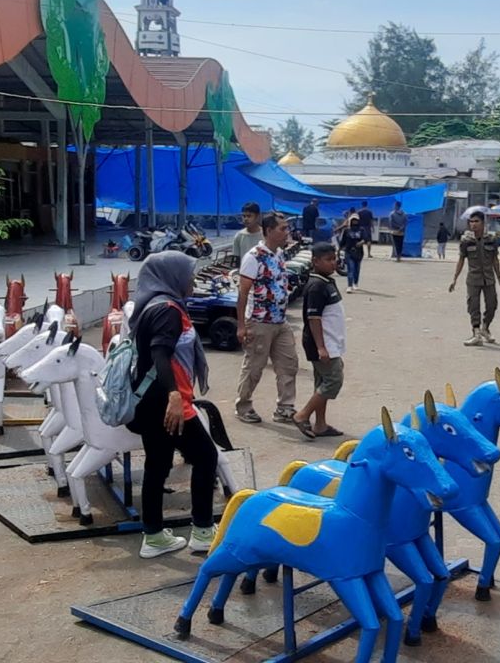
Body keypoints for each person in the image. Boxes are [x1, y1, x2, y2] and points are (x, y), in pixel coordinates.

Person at [125, 252, 218, 558]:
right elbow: (160, 354)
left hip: (151, 400)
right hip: (168, 401)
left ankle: (153, 536)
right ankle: (203, 531)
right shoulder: (167, 310)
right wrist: (175, 397)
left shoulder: (153, 304)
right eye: (189, 273)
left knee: (157, 465)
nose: (193, 279)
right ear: (172, 276)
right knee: (205, 457)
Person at [234, 212, 299, 424]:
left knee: (288, 364)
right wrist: (242, 326)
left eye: (287, 228)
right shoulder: (254, 257)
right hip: (259, 322)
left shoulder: (279, 254)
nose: (286, 232)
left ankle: (285, 407)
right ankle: (243, 405)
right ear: (269, 231)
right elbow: (243, 293)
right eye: (282, 229)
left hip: (280, 321)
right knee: (254, 366)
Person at [293, 243, 346, 439]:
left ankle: (320, 425)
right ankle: (302, 415)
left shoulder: (326, 281)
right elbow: (314, 318)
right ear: (315, 261)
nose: (333, 263)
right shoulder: (316, 286)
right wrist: (321, 347)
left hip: (331, 342)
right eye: (328, 259)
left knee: (321, 382)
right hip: (322, 344)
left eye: (334, 258)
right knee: (333, 381)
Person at [450, 212, 500, 346]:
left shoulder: (491, 239)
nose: (473, 224)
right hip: (473, 278)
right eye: (471, 222)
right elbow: (461, 260)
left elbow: (495, 260)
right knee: (473, 306)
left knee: (492, 305)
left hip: (489, 278)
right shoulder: (466, 241)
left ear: (483, 223)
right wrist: (455, 279)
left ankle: (485, 328)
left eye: (476, 221)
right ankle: (476, 332)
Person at [338, 214, 366, 293]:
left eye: (356, 220)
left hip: (359, 253)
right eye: (353, 220)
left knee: (357, 269)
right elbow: (342, 242)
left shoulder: (361, 230)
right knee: (351, 268)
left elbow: (365, 239)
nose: (354, 221)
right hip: (349, 252)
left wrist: (361, 242)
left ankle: (355, 283)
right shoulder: (347, 230)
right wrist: (339, 251)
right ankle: (349, 286)